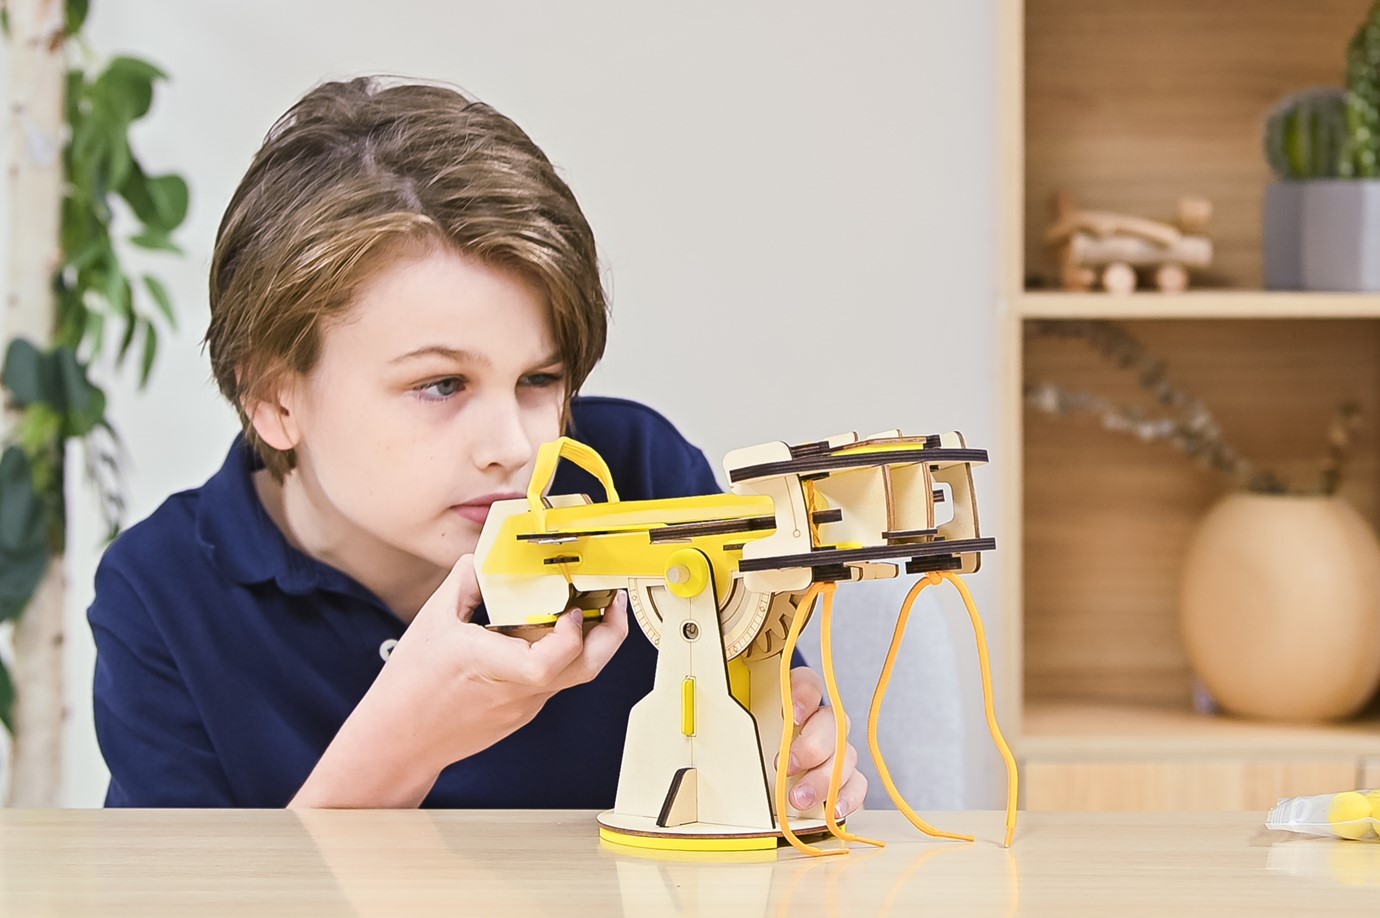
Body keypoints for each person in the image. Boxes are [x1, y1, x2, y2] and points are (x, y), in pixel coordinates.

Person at [89, 76, 866, 814]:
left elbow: (773, 777)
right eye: (441, 385)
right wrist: (404, 743)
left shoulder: (642, 475)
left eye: (540, 379)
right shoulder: (158, 593)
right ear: (272, 397)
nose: (515, 446)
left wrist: (795, 764)